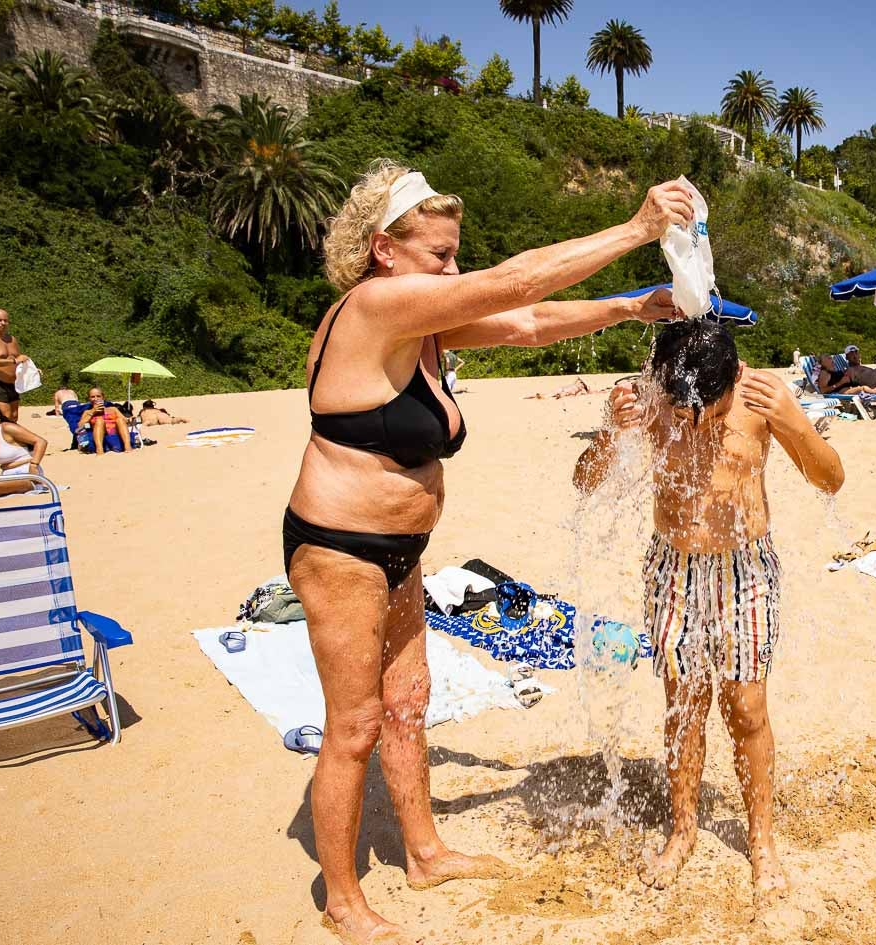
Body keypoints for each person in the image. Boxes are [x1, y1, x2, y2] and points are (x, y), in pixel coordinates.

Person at [283, 160, 691, 945]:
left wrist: (631, 308)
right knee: (355, 724)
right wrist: (638, 229)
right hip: (341, 549)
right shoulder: (372, 308)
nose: (453, 269)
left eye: (454, 254)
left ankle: (425, 851)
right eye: (439, 255)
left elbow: (528, 322)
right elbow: (512, 285)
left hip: (399, 547)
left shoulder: (416, 324)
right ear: (384, 251)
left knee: (408, 702)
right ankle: (341, 900)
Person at [573, 320, 844, 907]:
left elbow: (831, 480)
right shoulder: (649, 400)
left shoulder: (761, 400)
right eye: (682, 405)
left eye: (709, 408)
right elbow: (585, 481)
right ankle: (682, 830)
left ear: (734, 378)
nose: (696, 418)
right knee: (684, 704)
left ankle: (762, 840)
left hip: (744, 570)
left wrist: (795, 421)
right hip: (674, 570)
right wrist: (608, 434)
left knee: (746, 708)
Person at [0, 400, 47, 500]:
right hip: (6, 477)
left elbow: (41, 442)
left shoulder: (7, 428)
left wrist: (34, 464)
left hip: (27, 473)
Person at [75, 388, 134, 454]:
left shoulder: (113, 409)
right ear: (89, 399)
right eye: (92, 397)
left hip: (115, 433)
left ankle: (127, 447)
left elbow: (125, 420)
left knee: (120, 419)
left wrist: (130, 419)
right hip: (100, 435)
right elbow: (80, 425)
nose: (96, 399)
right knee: (99, 420)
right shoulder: (87, 412)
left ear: (103, 397)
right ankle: (99, 450)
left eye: (98, 396)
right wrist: (93, 411)